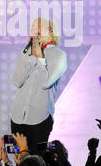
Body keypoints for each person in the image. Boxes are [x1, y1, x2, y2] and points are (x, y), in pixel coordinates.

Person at [10, 18, 68, 155]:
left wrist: (40, 57)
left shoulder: (59, 55)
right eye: (33, 28)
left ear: (51, 31)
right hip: (18, 116)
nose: (36, 31)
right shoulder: (26, 53)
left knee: (37, 161)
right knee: (21, 160)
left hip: (40, 118)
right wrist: (30, 57)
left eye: (40, 27)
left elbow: (45, 83)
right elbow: (17, 81)